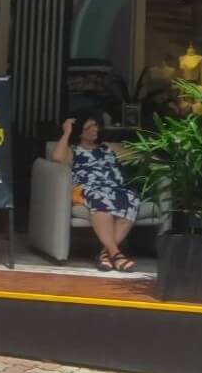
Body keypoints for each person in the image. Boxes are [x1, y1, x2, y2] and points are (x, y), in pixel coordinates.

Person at [51, 111, 140, 272]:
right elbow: (57, 158)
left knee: (131, 198)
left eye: (96, 126)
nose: (95, 130)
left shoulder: (107, 147)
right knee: (100, 198)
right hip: (89, 188)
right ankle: (116, 254)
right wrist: (67, 131)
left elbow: (136, 153)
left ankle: (105, 255)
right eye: (89, 127)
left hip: (115, 187)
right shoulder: (73, 150)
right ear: (79, 131)